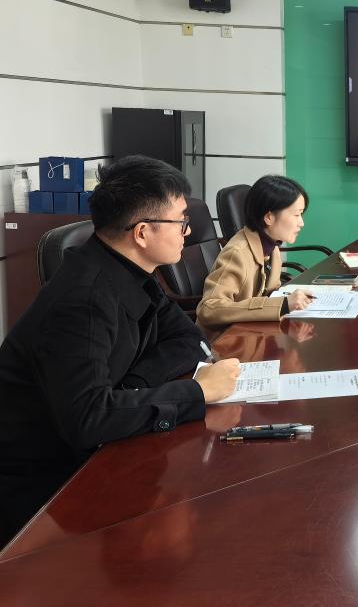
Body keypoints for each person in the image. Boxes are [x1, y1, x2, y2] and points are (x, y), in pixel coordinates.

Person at [0, 155, 240, 546]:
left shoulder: (134, 273)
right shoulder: (84, 300)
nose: (187, 230)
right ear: (142, 232)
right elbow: (88, 418)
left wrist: (131, 388)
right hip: (43, 491)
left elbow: (191, 342)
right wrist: (196, 392)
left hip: (91, 454)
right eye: (180, 221)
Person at [198, 175, 315, 340]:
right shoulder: (237, 253)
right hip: (224, 343)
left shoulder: (271, 246)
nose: (301, 223)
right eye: (296, 215)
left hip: (252, 335)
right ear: (269, 217)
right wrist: (282, 304)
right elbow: (208, 309)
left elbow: (270, 292)